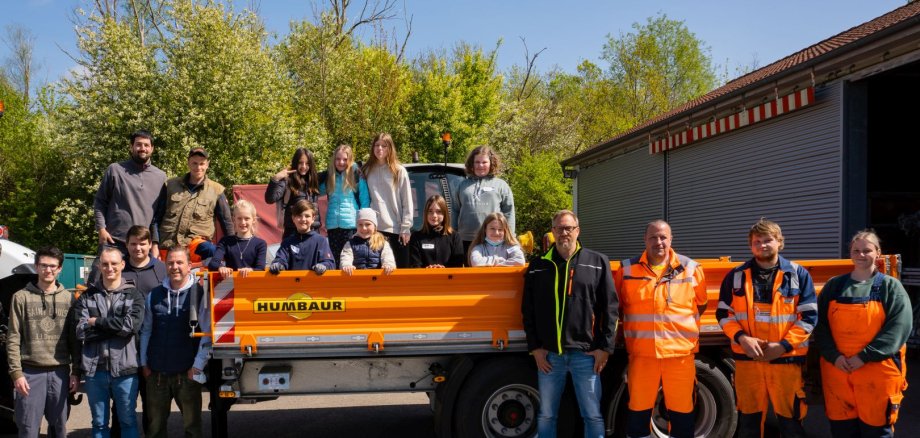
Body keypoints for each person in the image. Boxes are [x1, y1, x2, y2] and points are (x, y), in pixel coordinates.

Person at [521, 210, 618, 438]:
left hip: (586, 356)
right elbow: (528, 311)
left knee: (592, 415)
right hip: (549, 357)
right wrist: (535, 348)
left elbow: (611, 309)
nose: (564, 233)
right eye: (559, 228)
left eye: (569, 228)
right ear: (553, 232)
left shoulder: (597, 262)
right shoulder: (538, 265)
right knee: (546, 415)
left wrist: (605, 348)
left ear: (578, 231)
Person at [717, 219, 816, 438]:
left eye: (768, 240)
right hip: (748, 361)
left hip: (786, 362)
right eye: (757, 241)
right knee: (748, 425)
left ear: (779, 242)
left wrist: (783, 346)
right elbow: (724, 314)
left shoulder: (798, 274)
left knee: (791, 425)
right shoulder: (736, 276)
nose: (762, 245)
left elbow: (809, 317)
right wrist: (743, 338)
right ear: (750, 245)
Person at [814, 230, 912, 437]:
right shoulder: (834, 286)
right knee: (842, 430)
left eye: (867, 250)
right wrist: (834, 356)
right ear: (850, 252)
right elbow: (820, 325)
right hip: (838, 370)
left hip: (876, 372)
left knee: (876, 430)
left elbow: (899, 327)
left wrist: (865, 357)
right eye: (856, 250)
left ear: (878, 253)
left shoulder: (890, 286)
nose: (861, 255)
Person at [614, 220, 707, 438]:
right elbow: (618, 307)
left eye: (663, 237)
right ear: (645, 240)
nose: (659, 242)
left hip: (680, 357)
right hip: (642, 356)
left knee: (683, 415)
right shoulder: (627, 269)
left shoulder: (691, 269)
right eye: (653, 237)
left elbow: (700, 305)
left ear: (671, 239)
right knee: (638, 414)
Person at [6, 246, 79, 437]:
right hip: (30, 373)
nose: (49, 270)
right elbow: (13, 337)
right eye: (44, 265)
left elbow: (74, 339)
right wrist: (16, 373)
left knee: (59, 429)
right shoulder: (21, 297)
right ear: (37, 267)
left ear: (60, 268)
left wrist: (76, 371)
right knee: (28, 429)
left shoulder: (69, 299)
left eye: (53, 266)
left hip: (60, 372)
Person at [139, 246, 211, 438]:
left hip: (187, 375)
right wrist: (144, 363)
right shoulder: (154, 295)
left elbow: (207, 334)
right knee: (154, 429)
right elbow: (146, 331)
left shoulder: (200, 294)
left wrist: (197, 367)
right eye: (170, 262)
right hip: (157, 375)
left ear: (189, 266)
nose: (175, 267)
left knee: (192, 428)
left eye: (180, 262)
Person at [75, 247, 145, 438]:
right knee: (98, 424)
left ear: (122, 265)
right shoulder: (87, 296)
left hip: (125, 371)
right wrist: (116, 329)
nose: (109, 268)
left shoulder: (133, 295)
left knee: (128, 422)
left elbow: (131, 327)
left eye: (114, 263)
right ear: (99, 265)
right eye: (105, 264)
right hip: (94, 371)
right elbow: (81, 331)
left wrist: (96, 322)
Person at [93, 129, 166, 258]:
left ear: (152, 148)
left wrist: (154, 244)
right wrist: (101, 229)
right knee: (97, 277)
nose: (142, 148)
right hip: (113, 241)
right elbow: (100, 201)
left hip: (142, 245)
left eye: (146, 145)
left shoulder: (160, 177)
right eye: (138, 144)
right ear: (131, 147)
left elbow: (157, 217)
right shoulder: (115, 170)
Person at [157, 147, 232, 259]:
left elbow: (227, 223)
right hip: (168, 245)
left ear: (207, 164)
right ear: (188, 163)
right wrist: (153, 244)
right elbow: (156, 218)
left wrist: (233, 250)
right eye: (194, 163)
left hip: (195, 245)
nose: (198, 167)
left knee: (212, 251)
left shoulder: (216, 190)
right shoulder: (170, 185)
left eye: (202, 164)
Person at [363, 133, 412, 268]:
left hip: (396, 230)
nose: (380, 149)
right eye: (377, 145)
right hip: (374, 230)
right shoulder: (367, 170)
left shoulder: (398, 170)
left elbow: (407, 201)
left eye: (384, 146)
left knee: (398, 274)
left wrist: (406, 227)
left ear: (390, 148)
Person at [319, 144, 371, 267]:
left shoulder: (356, 174)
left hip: (351, 226)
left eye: (344, 159)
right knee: (335, 262)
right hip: (333, 226)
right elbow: (316, 190)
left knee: (350, 261)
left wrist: (363, 222)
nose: (341, 162)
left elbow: (364, 200)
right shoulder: (329, 176)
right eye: (338, 159)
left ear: (350, 159)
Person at [456, 145, 515, 254]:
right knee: (467, 271)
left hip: (493, 239)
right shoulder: (462, 185)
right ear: (472, 164)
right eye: (477, 162)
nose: (480, 165)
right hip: (465, 239)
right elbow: (455, 211)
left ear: (491, 163)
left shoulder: (501, 185)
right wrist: (452, 235)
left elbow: (509, 212)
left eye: (484, 162)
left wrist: (510, 237)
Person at [265, 147, 322, 238]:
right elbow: (270, 199)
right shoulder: (288, 181)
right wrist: (276, 178)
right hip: (292, 233)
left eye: (307, 163)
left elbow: (334, 171)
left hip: (312, 232)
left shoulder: (314, 180)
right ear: (295, 163)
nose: (303, 166)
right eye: (300, 163)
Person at [268, 199, 336, 276]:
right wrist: (278, 264)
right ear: (293, 218)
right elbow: (280, 259)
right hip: (292, 286)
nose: (303, 219)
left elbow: (330, 263)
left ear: (313, 218)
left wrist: (324, 266)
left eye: (307, 216)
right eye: (299, 216)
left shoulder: (321, 241)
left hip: (314, 286)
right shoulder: (287, 242)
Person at [208, 200, 267, 278]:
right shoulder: (225, 241)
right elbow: (213, 264)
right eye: (239, 218)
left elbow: (260, 268)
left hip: (252, 286)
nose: (243, 222)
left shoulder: (260, 244)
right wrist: (221, 268)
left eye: (247, 218)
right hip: (231, 286)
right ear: (234, 219)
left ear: (253, 220)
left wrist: (251, 270)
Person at [409, 195, 465, 268]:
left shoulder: (454, 237)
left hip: (448, 278)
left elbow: (458, 264)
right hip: (424, 279)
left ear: (445, 214)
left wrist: (444, 271)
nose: (434, 215)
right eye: (430, 211)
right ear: (426, 213)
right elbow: (414, 264)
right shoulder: (416, 237)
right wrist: (427, 270)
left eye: (439, 212)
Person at [340, 208, 396, 276]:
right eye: (360, 225)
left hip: (377, 279)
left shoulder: (382, 243)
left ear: (375, 226)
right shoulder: (350, 243)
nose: (364, 228)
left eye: (368, 224)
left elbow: (387, 256)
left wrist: (388, 265)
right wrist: (346, 265)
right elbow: (346, 256)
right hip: (357, 279)